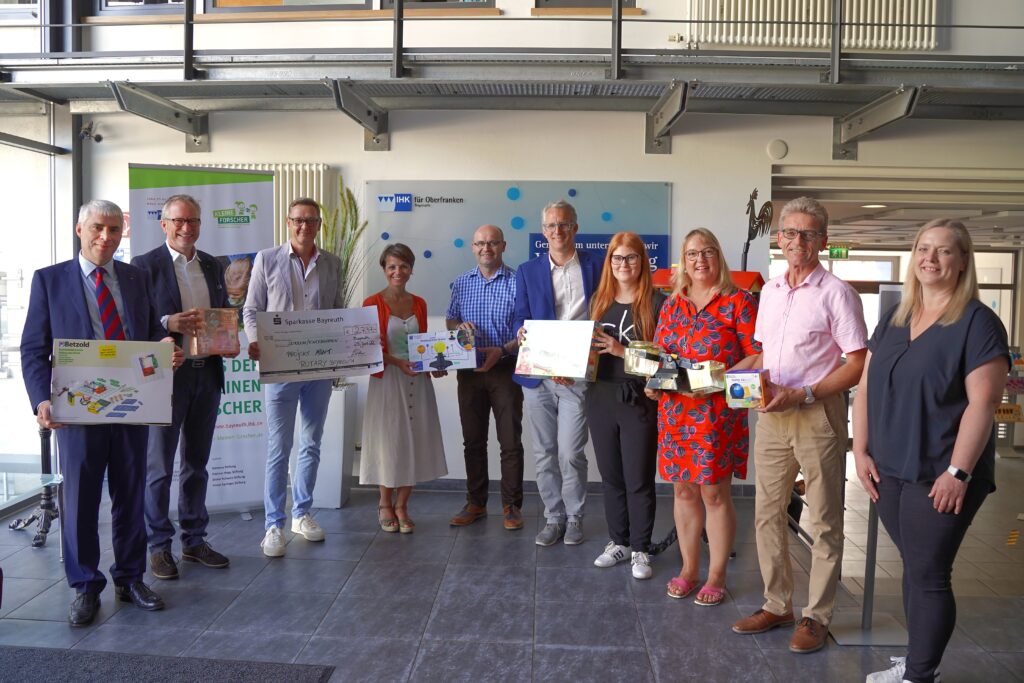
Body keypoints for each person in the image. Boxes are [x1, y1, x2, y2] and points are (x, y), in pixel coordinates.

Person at [856, 220, 1009, 683]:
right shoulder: (896, 318)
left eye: (944, 251)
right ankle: (919, 660)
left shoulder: (978, 323)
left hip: (939, 472)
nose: (930, 258)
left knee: (928, 573)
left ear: (963, 261)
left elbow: (984, 404)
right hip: (889, 468)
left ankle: (920, 675)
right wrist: (860, 452)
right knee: (916, 566)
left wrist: (958, 473)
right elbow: (864, 389)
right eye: (923, 248)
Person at [21, 200, 183, 626]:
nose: (105, 237)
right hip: (76, 410)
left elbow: (149, 333)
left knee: (131, 495)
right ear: (80, 229)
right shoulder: (49, 280)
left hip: (131, 404)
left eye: (113, 229)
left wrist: (164, 346)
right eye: (97, 228)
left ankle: (130, 579)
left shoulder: (135, 276)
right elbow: (34, 350)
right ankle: (85, 586)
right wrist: (42, 400)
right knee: (78, 500)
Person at [732, 196, 867, 653]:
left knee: (825, 519)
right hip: (772, 414)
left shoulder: (837, 294)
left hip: (815, 413)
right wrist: (733, 373)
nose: (796, 240)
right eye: (789, 232)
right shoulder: (769, 291)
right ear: (780, 238)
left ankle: (817, 616)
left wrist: (806, 393)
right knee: (767, 513)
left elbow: (855, 364)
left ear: (822, 242)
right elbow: (764, 353)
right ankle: (777, 604)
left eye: (807, 234)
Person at [648, 228, 761, 603]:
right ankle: (688, 569)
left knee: (714, 492)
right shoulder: (671, 303)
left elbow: (757, 354)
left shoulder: (739, 302)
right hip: (676, 412)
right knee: (682, 489)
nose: (700, 260)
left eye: (708, 252)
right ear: (684, 259)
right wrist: (654, 380)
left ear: (719, 257)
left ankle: (716, 575)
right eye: (693, 253)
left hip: (717, 413)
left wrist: (717, 378)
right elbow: (661, 355)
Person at [131, 194, 235, 580]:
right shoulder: (144, 267)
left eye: (192, 220)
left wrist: (229, 339)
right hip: (164, 378)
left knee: (196, 464)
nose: (186, 228)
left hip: (206, 374)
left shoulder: (212, 264)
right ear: (164, 224)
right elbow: (134, 322)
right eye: (178, 221)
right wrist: (167, 324)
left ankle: (193, 540)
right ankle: (159, 546)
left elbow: (220, 314)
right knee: (158, 468)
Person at [243, 198, 343, 557]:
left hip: (318, 368)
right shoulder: (267, 259)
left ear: (319, 224)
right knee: (279, 447)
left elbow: (339, 311)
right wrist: (257, 343)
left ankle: (302, 514)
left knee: (312, 442)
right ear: (288, 223)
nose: (305, 226)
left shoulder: (332, 263)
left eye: (311, 220)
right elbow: (251, 310)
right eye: (298, 220)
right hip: (280, 367)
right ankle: (274, 523)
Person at [513, 200, 603, 547]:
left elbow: (604, 314)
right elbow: (519, 316)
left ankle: (576, 516)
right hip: (538, 376)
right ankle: (553, 517)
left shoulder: (597, 266)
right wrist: (520, 332)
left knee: (570, 452)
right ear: (543, 231)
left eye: (564, 224)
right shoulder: (527, 271)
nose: (557, 231)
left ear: (575, 229)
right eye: (550, 225)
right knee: (544, 451)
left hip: (576, 375)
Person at [587, 232, 665, 580]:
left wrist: (622, 351)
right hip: (600, 396)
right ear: (610, 263)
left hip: (638, 399)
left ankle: (640, 548)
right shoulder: (599, 302)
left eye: (630, 257)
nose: (623, 264)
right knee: (611, 476)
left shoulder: (658, 303)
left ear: (641, 262)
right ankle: (618, 541)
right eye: (617, 258)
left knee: (638, 477)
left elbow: (665, 364)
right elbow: (588, 354)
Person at [360, 243, 448, 533]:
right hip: (388, 380)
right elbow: (367, 349)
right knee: (389, 442)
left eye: (404, 266)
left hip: (417, 381)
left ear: (411, 269)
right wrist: (397, 362)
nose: (398, 271)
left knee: (414, 440)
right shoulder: (371, 303)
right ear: (384, 270)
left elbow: (424, 344)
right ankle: (385, 504)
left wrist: (436, 364)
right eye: (392, 266)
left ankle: (402, 506)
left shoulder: (419, 303)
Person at [445, 225, 525, 531]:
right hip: (469, 370)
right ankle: (476, 503)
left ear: (503, 246)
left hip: (505, 367)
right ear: (472, 247)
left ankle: (511, 506)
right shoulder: (461, 283)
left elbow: (526, 330)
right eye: (480, 243)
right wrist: (458, 327)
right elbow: (451, 317)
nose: (486, 248)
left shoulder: (518, 281)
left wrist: (502, 351)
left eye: (492, 243)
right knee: (473, 441)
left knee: (509, 441)